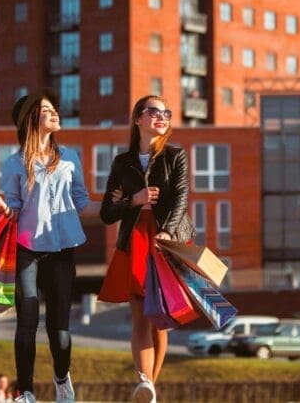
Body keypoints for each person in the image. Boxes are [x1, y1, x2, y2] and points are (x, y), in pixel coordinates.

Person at [0, 89, 104, 403]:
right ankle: (26, 392)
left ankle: (62, 378)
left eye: (53, 108)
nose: (55, 113)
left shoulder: (71, 157)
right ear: (31, 119)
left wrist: (123, 206)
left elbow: (82, 204)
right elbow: (14, 208)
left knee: (59, 330)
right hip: (26, 251)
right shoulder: (14, 163)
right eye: (46, 110)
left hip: (62, 251)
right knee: (27, 319)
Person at [98, 95, 192, 403]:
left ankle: (150, 385)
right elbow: (107, 213)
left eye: (167, 111)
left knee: (159, 316)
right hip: (135, 239)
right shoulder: (121, 162)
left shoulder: (175, 155)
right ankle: (145, 382)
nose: (162, 116)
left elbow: (180, 198)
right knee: (139, 313)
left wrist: (166, 231)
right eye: (154, 111)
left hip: (166, 238)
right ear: (138, 118)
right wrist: (133, 200)